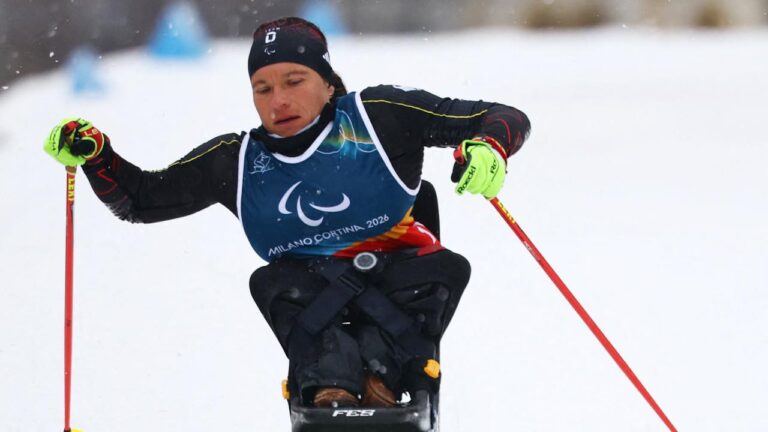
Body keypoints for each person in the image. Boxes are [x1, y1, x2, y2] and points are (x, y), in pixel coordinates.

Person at [43, 17, 531, 409]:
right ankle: (333, 389)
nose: (278, 100)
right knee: (274, 282)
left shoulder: (379, 117)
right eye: (262, 88)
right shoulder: (237, 161)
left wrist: (490, 147)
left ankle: (383, 381)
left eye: (294, 81)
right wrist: (96, 156)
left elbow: (502, 117)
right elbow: (140, 201)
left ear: (326, 83)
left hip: (406, 287)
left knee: (442, 269)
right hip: (314, 309)